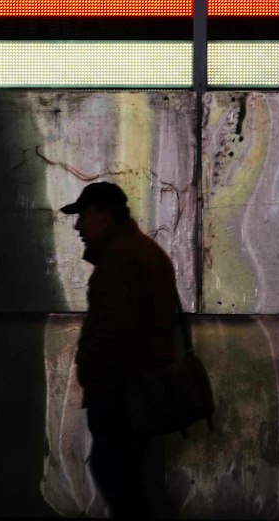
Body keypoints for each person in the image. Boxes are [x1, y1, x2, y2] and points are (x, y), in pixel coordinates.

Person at [60, 181, 177, 519]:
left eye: (83, 215)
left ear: (105, 217)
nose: (78, 225)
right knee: (124, 481)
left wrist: (89, 367)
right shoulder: (140, 250)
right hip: (138, 388)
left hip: (121, 391)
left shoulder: (119, 257)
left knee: (117, 480)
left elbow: (116, 328)